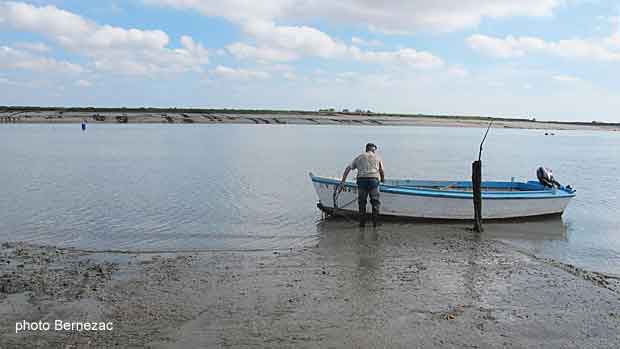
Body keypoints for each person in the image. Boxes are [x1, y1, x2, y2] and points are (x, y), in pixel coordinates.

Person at [338, 143, 385, 227]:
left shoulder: (359, 157)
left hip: (362, 181)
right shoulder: (377, 157)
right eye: (375, 150)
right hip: (373, 181)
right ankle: (375, 223)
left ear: (366, 149)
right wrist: (382, 180)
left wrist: (343, 182)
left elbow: (348, 168)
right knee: (375, 202)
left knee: (362, 203)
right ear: (373, 150)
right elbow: (382, 171)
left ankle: (362, 223)